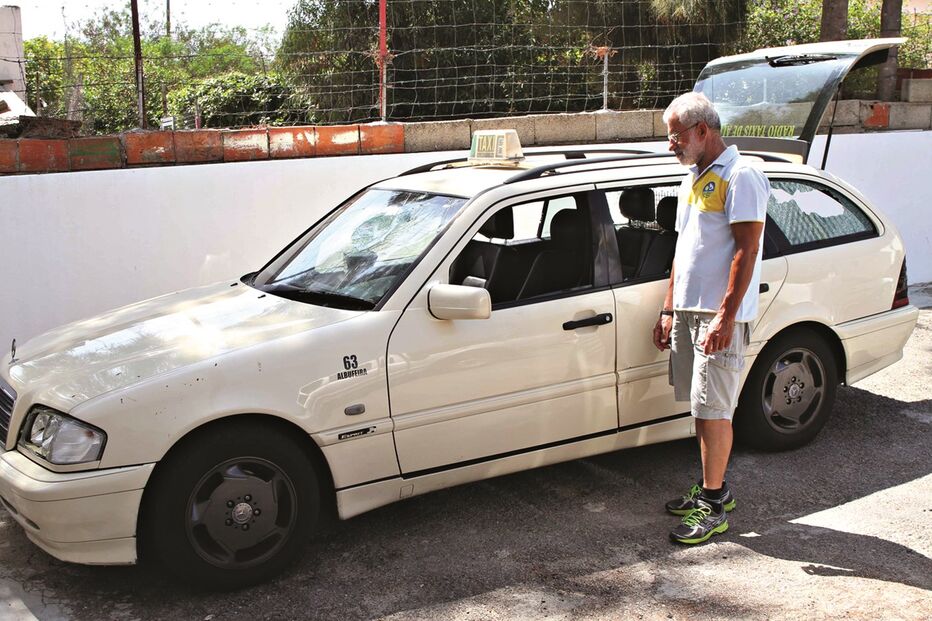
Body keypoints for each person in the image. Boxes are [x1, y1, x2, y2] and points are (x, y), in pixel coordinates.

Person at [652, 92, 770, 545]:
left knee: (715, 409)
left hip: (718, 316)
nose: (671, 145)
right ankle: (711, 488)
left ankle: (714, 505)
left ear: (702, 130)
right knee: (701, 406)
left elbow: (747, 249)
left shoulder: (742, 175)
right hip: (689, 310)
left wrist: (726, 316)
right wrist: (669, 307)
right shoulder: (694, 177)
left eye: (676, 136)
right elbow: (683, 249)